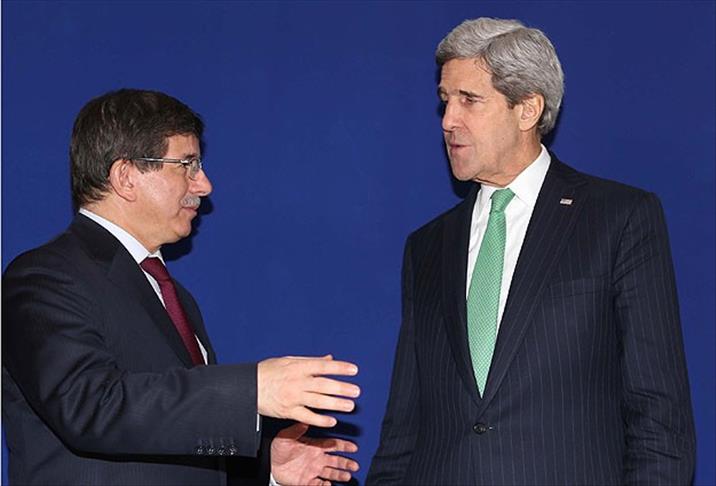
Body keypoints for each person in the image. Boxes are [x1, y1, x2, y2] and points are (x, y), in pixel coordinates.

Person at [367, 17, 696, 485]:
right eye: (445, 100)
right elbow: (403, 431)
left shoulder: (618, 219)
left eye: (469, 100)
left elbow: (659, 419)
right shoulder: (427, 246)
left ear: (527, 109)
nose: (448, 120)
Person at [2, 89, 360, 486]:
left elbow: (169, 434)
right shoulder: (43, 277)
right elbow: (88, 406)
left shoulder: (172, 294)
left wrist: (267, 469)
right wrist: (252, 391)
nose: (204, 185)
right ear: (126, 177)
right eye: (187, 164)